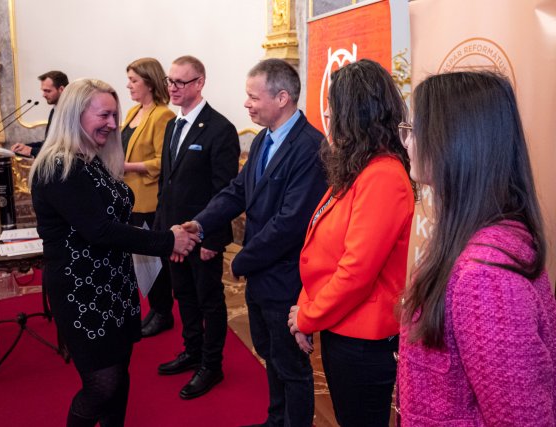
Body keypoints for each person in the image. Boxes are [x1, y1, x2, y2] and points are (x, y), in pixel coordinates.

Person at [29, 78, 199, 426]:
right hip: (81, 293)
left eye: (114, 115)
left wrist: (171, 236)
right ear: (75, 114)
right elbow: (100, 230)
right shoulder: (59, 166)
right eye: (103, 115)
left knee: (118, 378)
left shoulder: (90, 159)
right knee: (101, 386)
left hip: (113, 287)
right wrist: (168, 241)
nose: (112, 123)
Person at [397, 71, 556, 425]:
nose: (407, 142)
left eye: (415, 130)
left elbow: (521, 419)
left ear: (454, 141)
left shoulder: (485, 276)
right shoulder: (483, 239)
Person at [183, 58, 327, 427]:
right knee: (270, 354)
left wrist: (242, 260)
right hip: (263, 274)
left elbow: (290, 223)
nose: (246, 104)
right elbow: (237, 192)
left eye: (252, 97)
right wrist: (200, 223)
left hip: (286, 277)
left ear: (282, 98)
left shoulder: (310, 147)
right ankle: (276, 420)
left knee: (291, 365)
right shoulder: (264, 138)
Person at [287, 59, 415, 427]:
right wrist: (306, 305)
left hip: (363, 341)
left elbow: (356, 271)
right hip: (341, 325)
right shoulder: (359, 167)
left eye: (334, 104)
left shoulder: (383, 176)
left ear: (355, 112)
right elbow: (323, 251)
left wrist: (307, 316)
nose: (327, 113)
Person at [154, 55, 240, 399]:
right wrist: (164, 233)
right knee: (184, 295)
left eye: (180, 82)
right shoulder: (172, 125)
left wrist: (212, 238)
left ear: (199, 83)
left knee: (209, 300)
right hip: (174, 236)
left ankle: (211, 364)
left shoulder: (220, 129)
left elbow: (225, 191)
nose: (172, 88)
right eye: (170, 81)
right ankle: (192, 351)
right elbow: (166, 184)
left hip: (202, 237)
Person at [120, 58, 176, 338]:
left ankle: (164, 312)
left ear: (150, 83)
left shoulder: (162, 115)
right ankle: (155, 309)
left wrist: (127, 167)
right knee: (142, 259)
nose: (128, 85)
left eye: (134, 80)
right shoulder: (133, 111)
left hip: (149, 199)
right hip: (130, 197)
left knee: (154, 260)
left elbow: (162, 161)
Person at [12, 70, 69, 157]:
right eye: (43, 91)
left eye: (48, 91)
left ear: (61, 89)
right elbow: (49, 143)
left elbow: (64, 149)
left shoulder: (70, 112)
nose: (44, 95)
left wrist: (31, 151)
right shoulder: (54, 110)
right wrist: (26, 147)